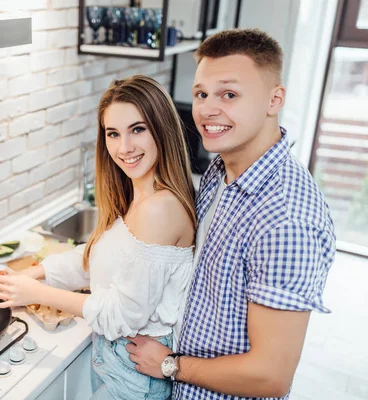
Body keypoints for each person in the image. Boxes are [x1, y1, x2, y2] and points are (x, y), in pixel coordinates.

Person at [126, 28, 336, 400]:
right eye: (201, 94)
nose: (207, 109)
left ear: (275, 100)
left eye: (230, 94)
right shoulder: (221, 169)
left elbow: (270, 375)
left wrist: (171, 364)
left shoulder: (285, 220)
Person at [0, 75, 197, 399]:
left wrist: (37, 292)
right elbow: (101, 256)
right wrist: (40, 272)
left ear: (162, 128)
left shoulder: (159, 209)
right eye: (113, 134)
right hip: (116, 362)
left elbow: (122, 316)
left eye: (137, 129)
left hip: (134, 376)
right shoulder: (138, 192)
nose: (124, 147)